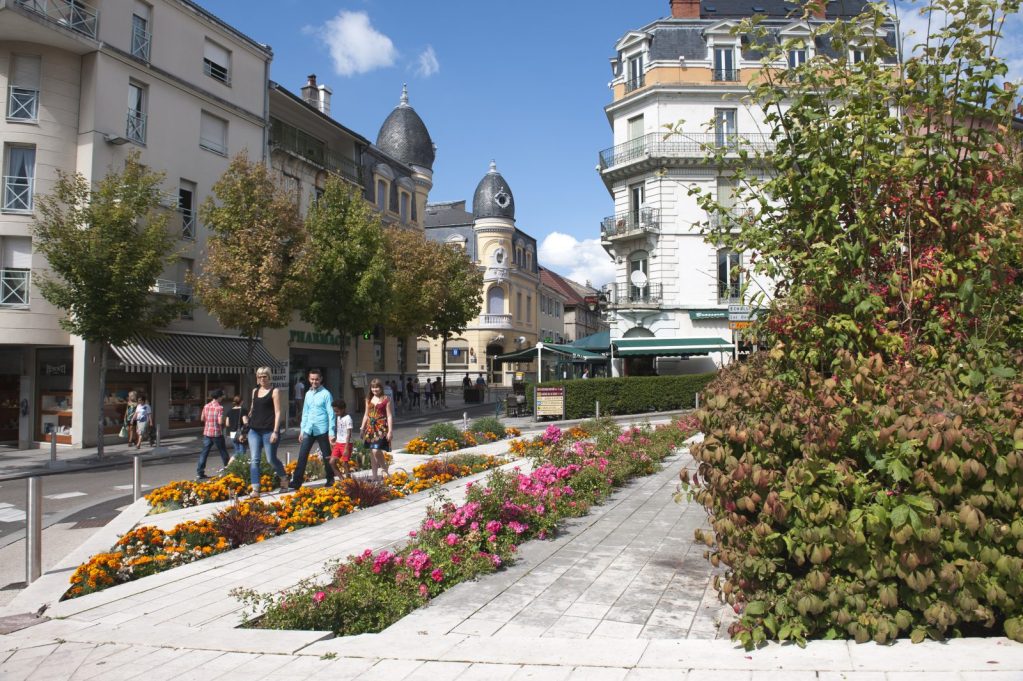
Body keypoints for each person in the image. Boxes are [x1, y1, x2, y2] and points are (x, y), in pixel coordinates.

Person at [290, 369, 335, 490]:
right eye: (312, 379)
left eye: (316, 379)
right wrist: (302, 430)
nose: (314, 381)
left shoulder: (326, 394)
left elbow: (331, 414)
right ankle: (296, 482)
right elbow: (305, 412)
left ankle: (330, 479)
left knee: (326, 456)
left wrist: (331, 432)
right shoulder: (308, 394)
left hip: (322, 429)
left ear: (321, 379)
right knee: (302, 455)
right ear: (309, 379)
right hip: (309, 429)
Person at [247, 367, 289, 498]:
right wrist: (246, 423)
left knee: (271, 459)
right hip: (254, 430)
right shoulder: (254, 391)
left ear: (269, 377)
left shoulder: (274, 391)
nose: (262, 378)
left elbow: (278, 412)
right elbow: (253, 409)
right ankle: (255, 489)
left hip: (269, 430)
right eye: (259, 376)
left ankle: (284, 479)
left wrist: (275, 431)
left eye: (264, 376)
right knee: (254, 459)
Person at [360, 378, 393, 481]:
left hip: (381, 428)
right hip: (370, 429)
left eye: (377, 387)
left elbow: (389, 416)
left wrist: (390, 431)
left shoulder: (386, 399)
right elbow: (366, 415)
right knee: (372, 452)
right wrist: (362, 428)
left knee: (376, 450)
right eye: (373, 387)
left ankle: (385, 470)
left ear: (381, 388)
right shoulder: (368, 399)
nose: (375, 389)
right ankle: (374, 476)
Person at [196, 389, 228, 480]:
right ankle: (229, 469)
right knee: (223, 452)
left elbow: (202, 418)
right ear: (219, 397)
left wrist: (208, 421)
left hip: (207, 432)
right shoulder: (220, 408)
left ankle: (200, 472)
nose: (222, 398)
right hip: (217, 433)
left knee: (204, 452)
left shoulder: (206, 406)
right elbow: (220, 421)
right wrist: (224, 421)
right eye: (222, 396)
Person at [329, 399, 354, 482]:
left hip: (346, 444)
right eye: (334, 411)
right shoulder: (338, 417)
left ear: (343, 409)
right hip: (338, 443)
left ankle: (348, 480)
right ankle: (342, 480)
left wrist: (346, 448)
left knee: (344, 463)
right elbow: (339, 430)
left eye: (337, 411)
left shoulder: (348, 418)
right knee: (332, 462)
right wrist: (335, 439)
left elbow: (349, 433)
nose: (335, 413)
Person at [225, 394, 247, 460]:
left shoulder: (229, 411)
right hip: (240, 433)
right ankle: (231, 461)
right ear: (241, 402)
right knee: (242, 452)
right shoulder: (243, 410)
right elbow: (245, 422)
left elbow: (227, 424)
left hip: (232, 433)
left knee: (237, 450)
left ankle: (235, 463)